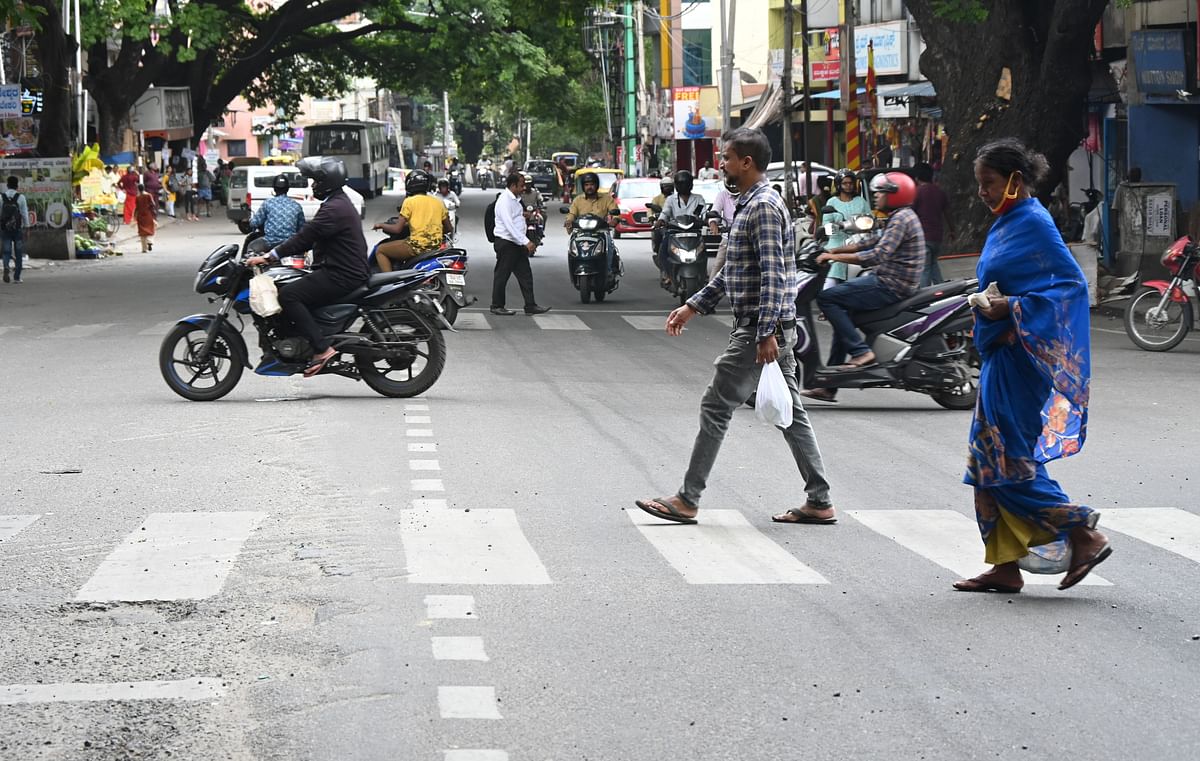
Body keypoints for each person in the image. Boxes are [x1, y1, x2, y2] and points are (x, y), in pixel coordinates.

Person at [634, 127, 835, 526]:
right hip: (769, 326)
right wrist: (693, 305)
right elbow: (735, 272)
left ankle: (688, 499)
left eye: (726, 157)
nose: (720, 164)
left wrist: (765, 333)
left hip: (760, 329)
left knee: (715, 406)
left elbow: (775, 275)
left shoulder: (762, 206)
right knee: (791, 412)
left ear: (746, 162)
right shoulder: (748, 202)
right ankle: (820, 499)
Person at [953, 137, 1110, 594]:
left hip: (1023, 363)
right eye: (980, 183)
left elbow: (1069, 290)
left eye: (989, 183)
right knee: (985, 462)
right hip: (1002, 359)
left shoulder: (1034, 223)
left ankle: (1083, 530)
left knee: (1003, 463)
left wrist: (1013, 308)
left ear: (1015, 181)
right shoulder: (1006, 222)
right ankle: (1005, 566)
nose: (982, 192)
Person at [245, 157, 371, 378]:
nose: (313, 185)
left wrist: (270, 256)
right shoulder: (337, 203)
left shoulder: (334, 208)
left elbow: (305, 237)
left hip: (342, 273)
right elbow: (310, 236)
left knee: (288, 296)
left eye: (315, 181)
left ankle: (322, 349)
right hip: (341, 269)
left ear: (326, 182)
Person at [806, 172, 925, 401]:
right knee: (844, 313)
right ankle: (828, 385)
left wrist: (835, 258)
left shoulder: (902, 218)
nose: (877, 196)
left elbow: (877, 254)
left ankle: (862, 352)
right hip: (886, 279)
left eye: (881, 192)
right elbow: (869, 240)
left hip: (890, 284)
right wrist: (832, 252)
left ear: (896, 195)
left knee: (828, 298)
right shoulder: (897, 217)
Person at [490, 172, 550, 316]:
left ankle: (530, 305)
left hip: (516, 243)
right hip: (506, 242)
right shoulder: (504, 200)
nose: (524, 188)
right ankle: (497, 305)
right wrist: (526, 241)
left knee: (525, 274)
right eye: (521, 185)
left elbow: (515, 217)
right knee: (502, 274)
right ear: (512, 185)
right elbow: (509, 225)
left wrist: (524, 215)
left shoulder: (516, 199)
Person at [373, 169, 450, 271]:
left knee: (380, 250)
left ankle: (390, 281)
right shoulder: (438, 202)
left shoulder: (409, 202)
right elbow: (449, 228)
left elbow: (397, 229)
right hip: (436, 247)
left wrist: (381, 225)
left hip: (417, 247)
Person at [820, 169, 872, 287]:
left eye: (850, 183)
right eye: (845, 183)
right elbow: (826, 225)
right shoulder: (831, 202)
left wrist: (875, 223)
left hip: (858, 242)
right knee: (829, 285)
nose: (848, 186)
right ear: (839, 185)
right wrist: (835, 227)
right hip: (836, 244)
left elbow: (870, 219)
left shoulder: (861, 201)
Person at [654, 169, 707, 283]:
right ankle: (667, 274)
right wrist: (661, 221)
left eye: (686, 183)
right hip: (674, 232)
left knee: (703, 251)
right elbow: (665, 212)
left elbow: (702, 212)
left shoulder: (698, 198)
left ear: (691, 184)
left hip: (694, 232)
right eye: (681, 184)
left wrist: (705, 220)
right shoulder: (671, 199)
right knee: (663, 250)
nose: (684, 186)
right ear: (677, 185)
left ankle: (703, 273)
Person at [563, 170, 620, 275]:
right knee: (572, 247)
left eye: (592, 184)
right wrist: (569, 221)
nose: (589, 187)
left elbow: (615, 212)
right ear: (583, 186)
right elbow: (572, 214)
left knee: (610, 246)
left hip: (601, 231)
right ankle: (575, 265)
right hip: (581, 232)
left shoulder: (606, 198)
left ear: (597, 185)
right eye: (587, 185)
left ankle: (612, 268)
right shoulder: (578, 200)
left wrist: (615, 220)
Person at [911, 162, 955, 286]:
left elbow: (911, 214)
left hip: (923, 237)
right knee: (933, 265)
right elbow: (948, 214)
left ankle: (924, 298)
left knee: (924, 270)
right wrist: (952, 231)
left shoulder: (917, 193)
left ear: (917, 177)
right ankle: (942, 290)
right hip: (937, 238)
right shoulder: (940, 192)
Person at [249, 174, 305, 247]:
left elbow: (254, 223)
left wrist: (250, 221)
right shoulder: (296, 205)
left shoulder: (268, 203)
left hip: (270, 242)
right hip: (290, 243)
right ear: (287, 189)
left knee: (250, 248)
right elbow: (302, 227)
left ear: (274, 188)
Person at [0, 175, 28, 283]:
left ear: (7, 185)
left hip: (5, 229)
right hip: (17, 229)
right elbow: (25, 214)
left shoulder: (1, 198)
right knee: (18, 252)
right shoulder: (21, 198)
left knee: (6, 251)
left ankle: (6, 266)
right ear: (17, 186)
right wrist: (27, 227)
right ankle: (17, 277)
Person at [648, 175, 674, 255]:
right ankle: (658, 249)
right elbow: (650, 210)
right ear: (661, 187)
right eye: (665, 186)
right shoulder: (657, 199)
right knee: (658, 232)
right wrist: (651, 217)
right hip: (662, 222)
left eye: (669, 186)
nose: (667, 188)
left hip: (675, 222)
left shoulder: (676, 198)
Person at [134, 183, 157, 252]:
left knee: (142, 232)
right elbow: (153, 204)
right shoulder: (148, 195)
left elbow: (137, 208)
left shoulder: (138, 197)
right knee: (151, 228)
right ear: (144, 188)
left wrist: (134, 216)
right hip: (148, 215)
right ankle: (150, 241)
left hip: (140, 216)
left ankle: (144, 249)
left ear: (138, 189)